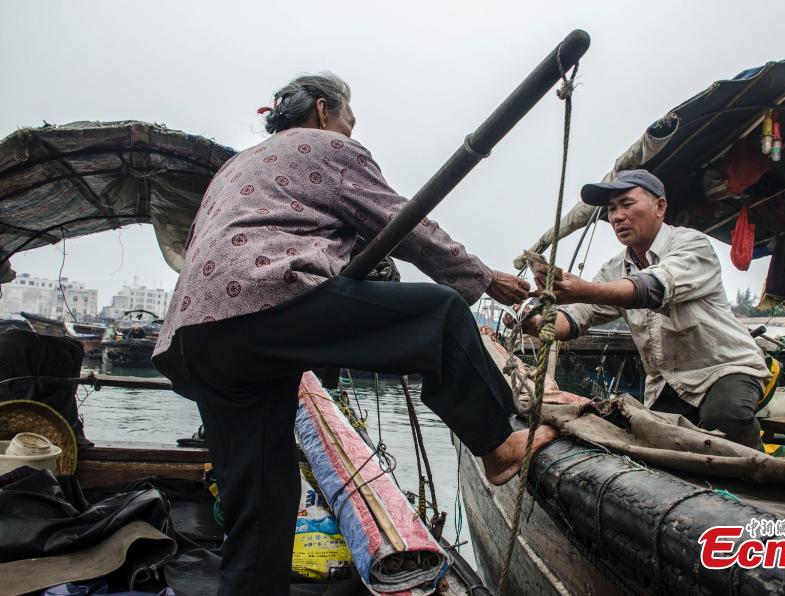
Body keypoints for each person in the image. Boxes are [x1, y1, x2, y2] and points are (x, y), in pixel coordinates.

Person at [151, 72, 556, 595]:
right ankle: (499, 446)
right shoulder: (325, 146)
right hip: (262, 297)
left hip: (194, 336)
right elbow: (404, 223)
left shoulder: (236, 165)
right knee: (441, 315)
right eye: (348, 117)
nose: (349, 128)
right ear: (323, 110)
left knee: (261, 506)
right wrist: (481, 276)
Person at [520, 169, 770, 450]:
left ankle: (770, 483)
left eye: (627, 204)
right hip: (668, 383)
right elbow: (580, 315)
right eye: (611, 210)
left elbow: (653, 287)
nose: (616, 216)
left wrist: (583, 289)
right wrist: (538, 323)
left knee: (725, 416)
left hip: (725, 368)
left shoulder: (691, 244)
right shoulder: (614, 268)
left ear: (660, 207)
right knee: (654, 441)